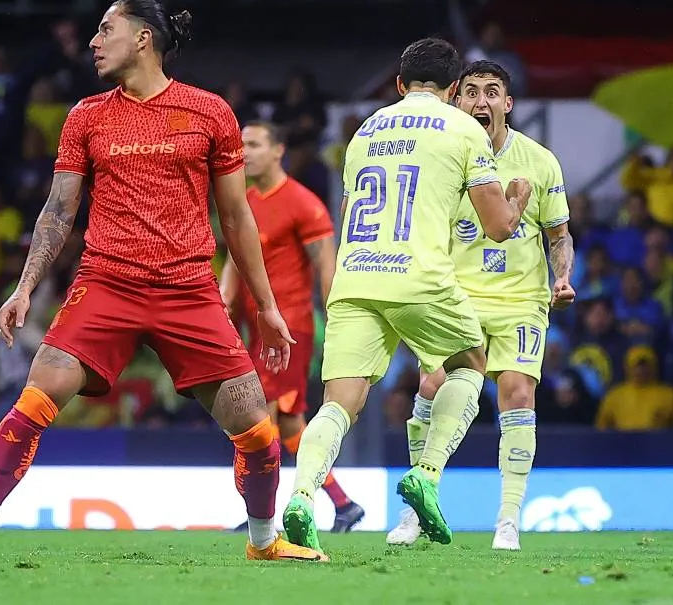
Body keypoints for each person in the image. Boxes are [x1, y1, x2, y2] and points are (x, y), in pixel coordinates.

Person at [0, 0, 326, 563]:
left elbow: (237, 217)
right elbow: (58, 211)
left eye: (104, 30)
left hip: (189, 289)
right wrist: (23, 287)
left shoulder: (209, 111)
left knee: (259, 431)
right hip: (106, 284)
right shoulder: (85, 116)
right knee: (34, 401)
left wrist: (265, 306)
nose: (93, 42)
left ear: (143, 39)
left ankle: (264, 543)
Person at [281, 38, 532, 553]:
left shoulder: (363, 132)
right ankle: (427, 472)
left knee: (339, 404)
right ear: (456, 88)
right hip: (419, 276)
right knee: (469, 364)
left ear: (399, 85)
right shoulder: (463, 128)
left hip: (356, 277)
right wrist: (518, 197)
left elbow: (352, 209)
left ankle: (303, 494)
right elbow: (499, 227)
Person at [385, 60, 575, 551]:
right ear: (455, 99)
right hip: (456, 295)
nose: (481, 102)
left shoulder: (540, 160)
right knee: (433, 384)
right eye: (470, 92)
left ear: (507, 104)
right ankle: (415, 508)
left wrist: (563, 278)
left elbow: (559, 234)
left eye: (492, 92)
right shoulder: (440, 157)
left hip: (520, 300)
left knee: (516, 393)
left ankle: (507, 521)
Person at [220, 120, 365, 532]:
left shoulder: (302, 203)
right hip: (255, 329)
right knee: (288, 426)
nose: (244, 152)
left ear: (278, 150)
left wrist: (337, 315)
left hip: (287, 329)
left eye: (254, 144)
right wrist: (224, 303)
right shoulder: (244, 200)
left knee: (255, 417)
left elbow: (324, 260)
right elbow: (235, 258)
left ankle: (258, 517)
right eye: (241, 144)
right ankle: (344, 504)